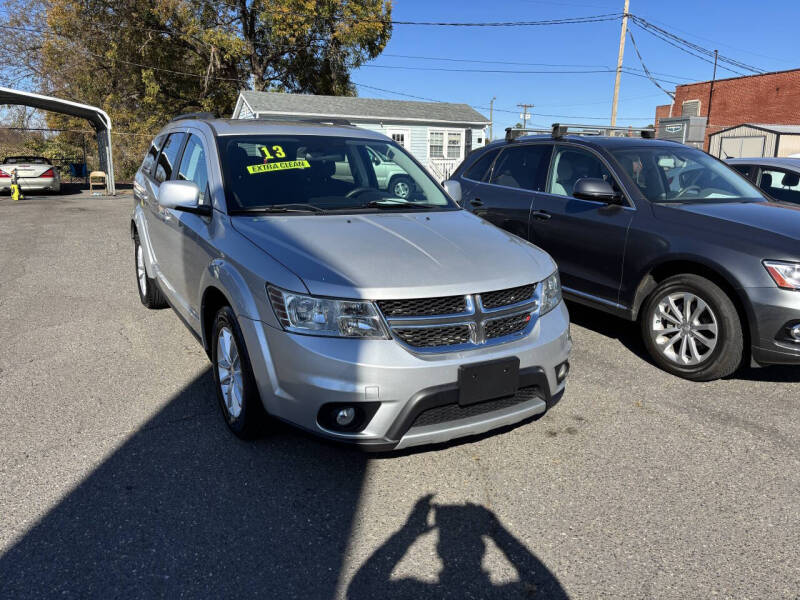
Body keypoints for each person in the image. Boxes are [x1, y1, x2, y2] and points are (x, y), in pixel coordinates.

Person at [348, 495, 568, 599]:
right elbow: (554, 589)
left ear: (439, 551)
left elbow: (359, 589)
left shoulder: (418, 590)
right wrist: (499, 532)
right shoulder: (506, 592)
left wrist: (411, 530)